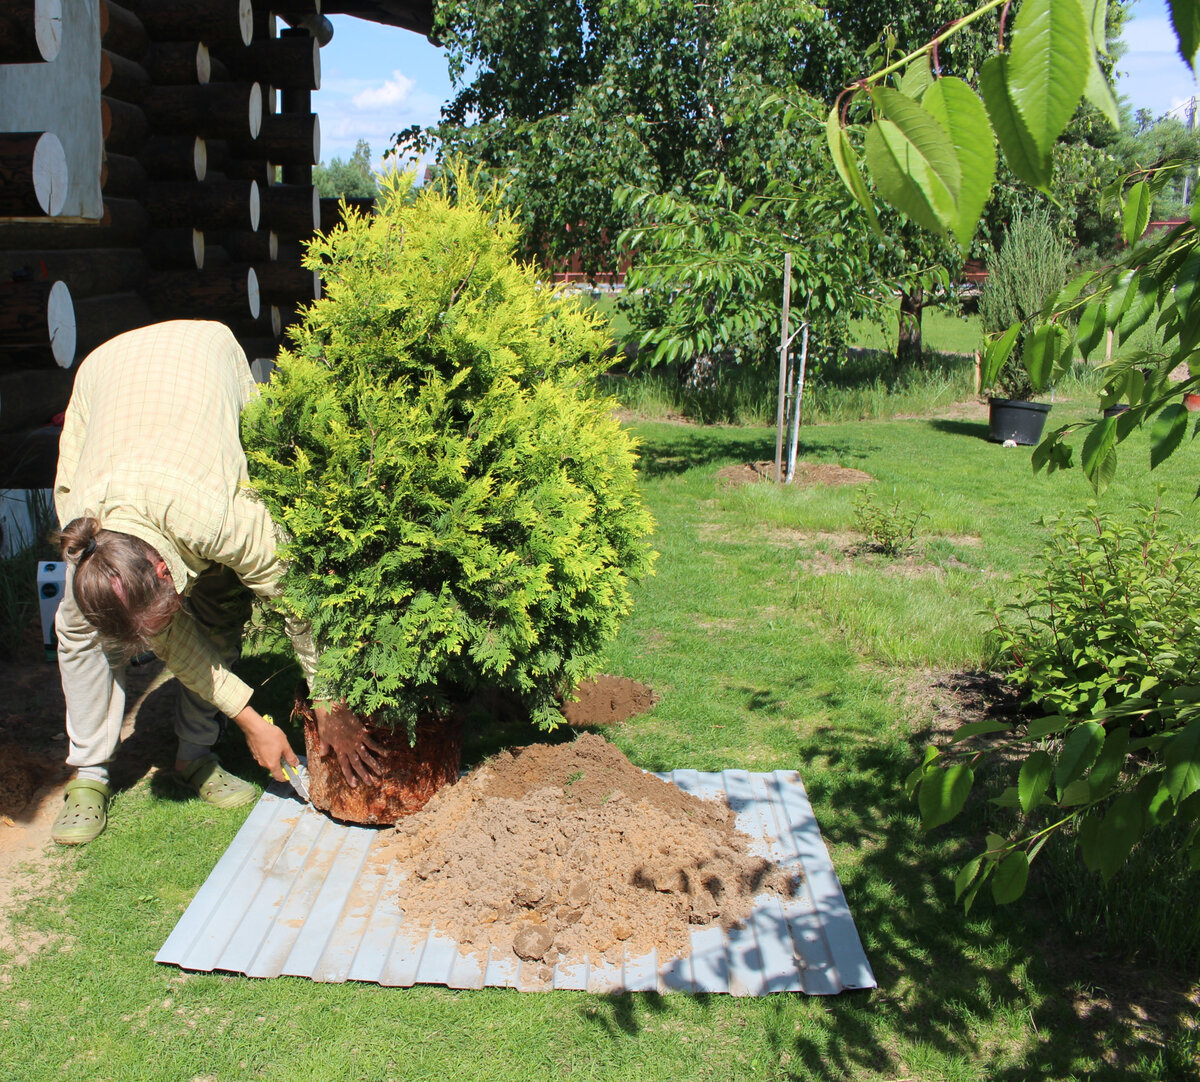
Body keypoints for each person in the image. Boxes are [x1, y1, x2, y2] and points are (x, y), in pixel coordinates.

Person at [50, 319, 383, 845]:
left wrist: (329, 701)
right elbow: (174, 643)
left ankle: (195, 756)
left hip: (207, 352)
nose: (155, 646)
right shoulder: (84, 539)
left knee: (223, 603)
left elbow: (295, 603)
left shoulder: (222, 519)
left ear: (165, 569)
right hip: (105, 373)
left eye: (160, 620)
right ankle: (88, 774)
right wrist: (255, 721)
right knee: (79, 624)